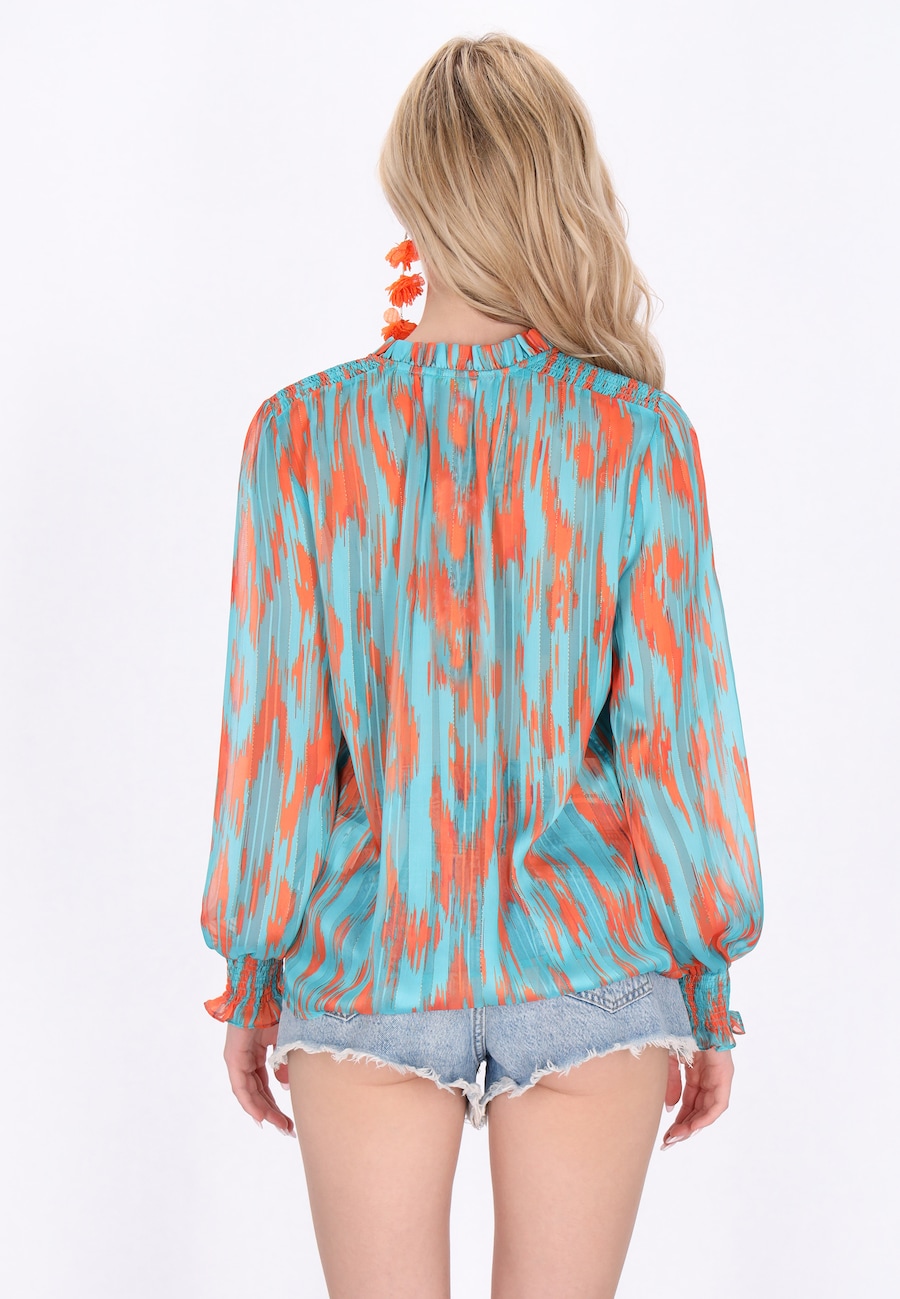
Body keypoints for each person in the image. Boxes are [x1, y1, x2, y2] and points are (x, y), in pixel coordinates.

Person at [199, 31, 764, 1299]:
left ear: (413, 193)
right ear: (561, 185)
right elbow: (677, 739)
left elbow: (277, 740)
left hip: (367, 961)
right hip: (593, 963)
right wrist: (707, 978)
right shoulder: (635, 436)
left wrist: (253, 970)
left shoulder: (299, 438)